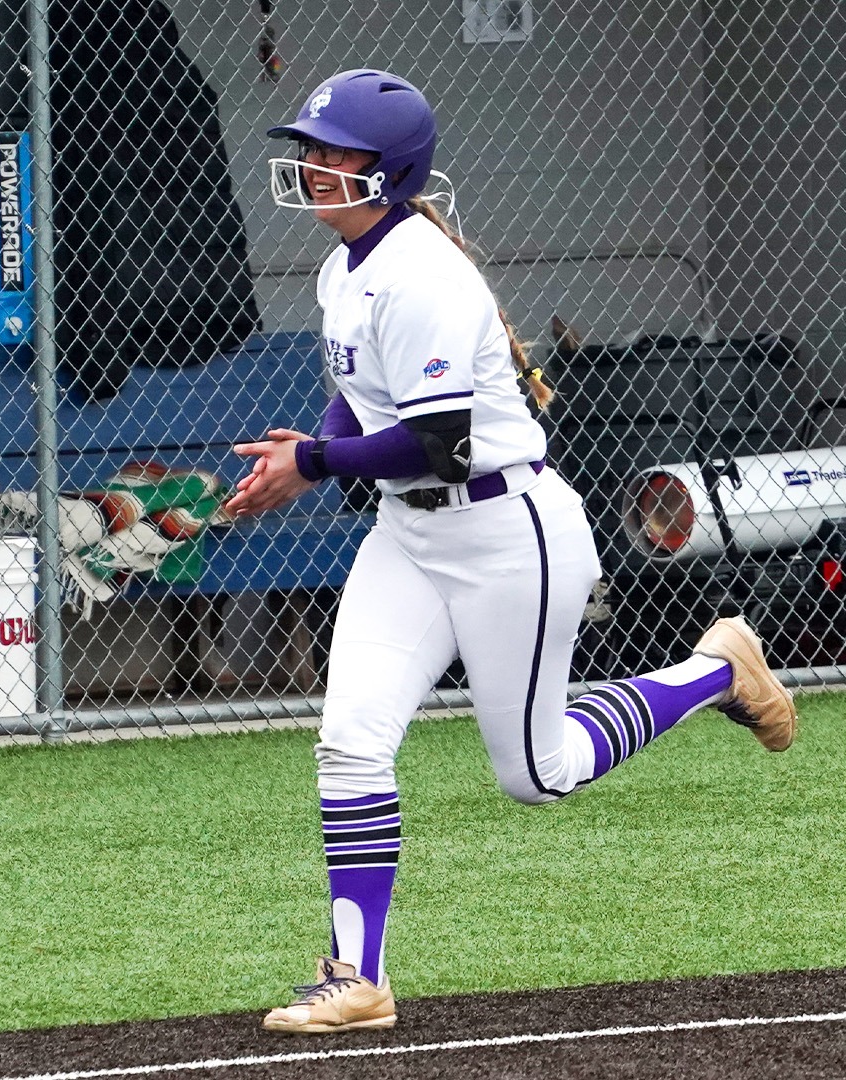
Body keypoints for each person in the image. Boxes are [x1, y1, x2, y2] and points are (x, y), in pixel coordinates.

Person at [227, 69, 797, 1035]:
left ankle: (712, 671)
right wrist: (306, 454)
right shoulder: (345, 267)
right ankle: (357, 978)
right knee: (350, 742)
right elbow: (366, 403)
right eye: (311, 150)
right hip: (408, 534)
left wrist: (314, 463)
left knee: (537, 775)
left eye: (337, 152)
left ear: (392, 168)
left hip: (508, 533)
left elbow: (443, 440)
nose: (315, 166)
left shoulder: (424, 274)